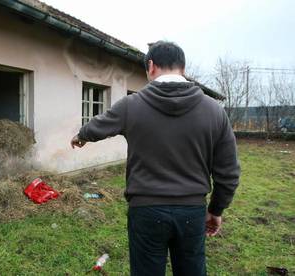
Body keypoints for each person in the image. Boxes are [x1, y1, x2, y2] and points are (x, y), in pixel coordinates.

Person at [70, 41, 240, 276]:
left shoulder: (131, 106)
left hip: (146, 211)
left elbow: (102, 123)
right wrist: (217, 209)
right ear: (183, 68)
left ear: (151, 66)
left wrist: (82, 135)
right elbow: (228, 172)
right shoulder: (214, 111)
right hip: (192, 212)